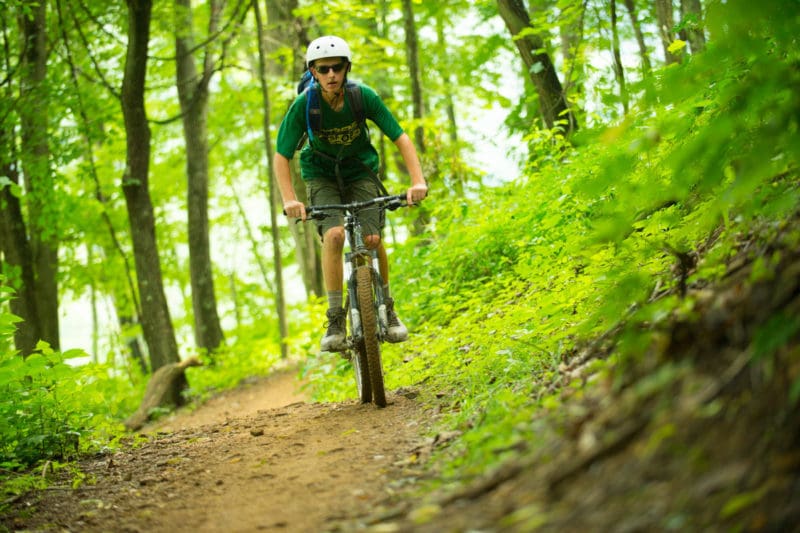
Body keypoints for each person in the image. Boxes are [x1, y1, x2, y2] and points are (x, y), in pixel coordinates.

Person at [274, 35, 428, 353]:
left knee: (371, 241)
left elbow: (400, 137)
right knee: (333, 236)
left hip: (360, 171)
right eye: (323, 69)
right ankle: (334, 319)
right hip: (321, 175)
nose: (331, 74)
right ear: (313, 72)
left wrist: (417, 180)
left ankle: (387, 308)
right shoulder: (305, 104)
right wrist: (290, 199)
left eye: (337, 68)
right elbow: (281, 155)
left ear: (346, 69)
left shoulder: (363, 97)